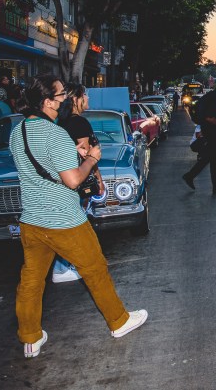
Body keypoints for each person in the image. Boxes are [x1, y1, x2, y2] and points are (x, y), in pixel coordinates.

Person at [9, 74, 147, 358]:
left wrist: (68, 153)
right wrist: (92, 159)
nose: (66, 100)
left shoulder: (18, 130)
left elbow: (39, 162)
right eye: (61, 96)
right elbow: (72, 180)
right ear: (48, 102)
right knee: (95, 269)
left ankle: (31, 338)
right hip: (64, 220)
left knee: (32, 281)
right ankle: (119, 321)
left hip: (32, 221)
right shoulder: (56, 134)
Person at [52, 82, 105, 284]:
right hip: (77, 179)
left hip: (63, 179)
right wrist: (99, 180)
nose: (88, 99)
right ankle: (63, 266)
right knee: (76, 225)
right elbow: (87, 156)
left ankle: (64, 265)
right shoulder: (79, 123)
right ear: (76, 99)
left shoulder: (60, 122)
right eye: (86, 95)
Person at [182, 73, 216, 195]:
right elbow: (209, 118)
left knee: (213, 157)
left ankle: (214, 186)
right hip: (209, 129)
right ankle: (191, 176)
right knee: (211, 156)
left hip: (214, 129)